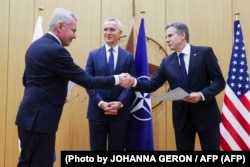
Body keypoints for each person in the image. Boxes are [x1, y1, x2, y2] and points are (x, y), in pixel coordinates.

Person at [15, 8, 130, 167]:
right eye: (73, 30)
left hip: (27, 117)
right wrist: (118, 78)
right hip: (40, 121)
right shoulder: (56, 51)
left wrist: (54, 94)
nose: (75, 35)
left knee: (26, 162)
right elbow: (87, 81)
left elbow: (27, 80)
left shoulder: (36, 46)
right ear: (60, 26)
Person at [130, 21, 226, 150]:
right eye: (166, 37)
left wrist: (201, 95)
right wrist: (133, 82)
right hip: (182, 120)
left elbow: (219, 81)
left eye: (170, 36)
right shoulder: (167, 61)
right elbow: (152, 85)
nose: (167, 40)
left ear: (182, 35)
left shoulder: (204, 53)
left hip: (206, 116)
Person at [85, 18, 135, 150]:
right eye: (105, 29)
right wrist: (101, 103)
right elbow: (88, 82)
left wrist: (120, 103)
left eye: (112, 29)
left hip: (120, 113)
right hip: (97, 112)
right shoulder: (93, 55)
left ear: (120, 33)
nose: (108, 32)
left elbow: (131, 83)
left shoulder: (128, 57)